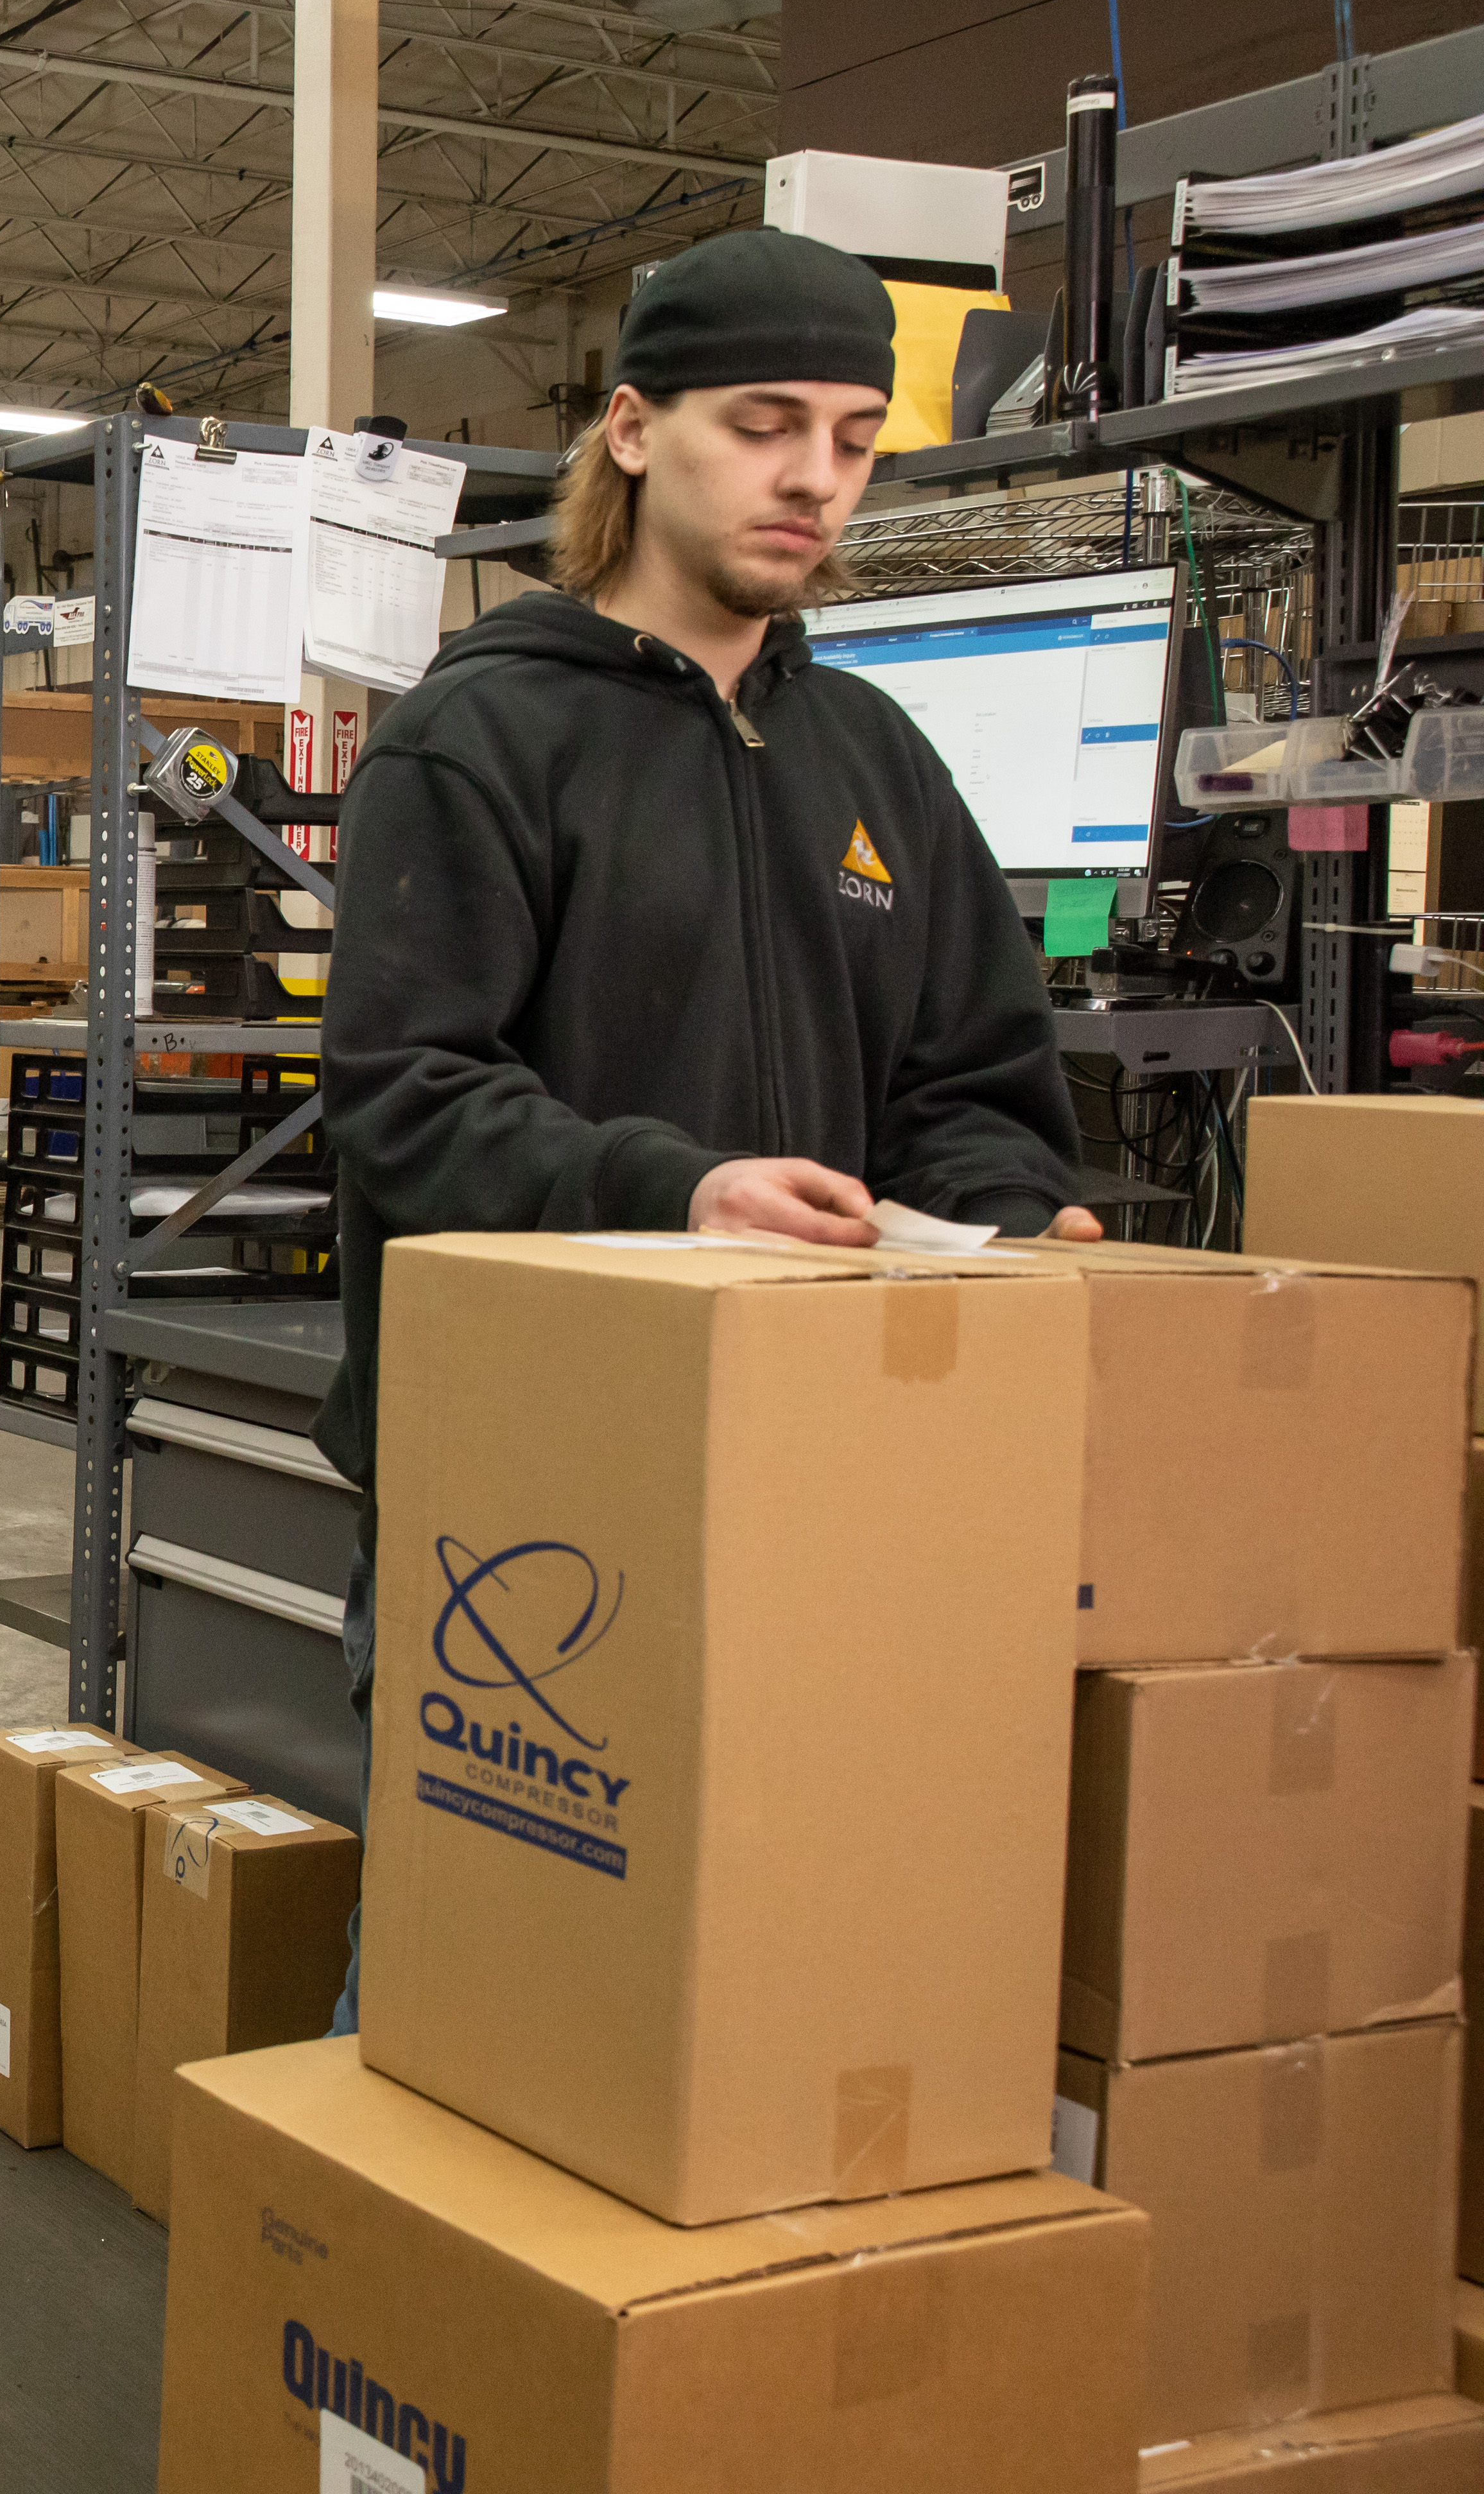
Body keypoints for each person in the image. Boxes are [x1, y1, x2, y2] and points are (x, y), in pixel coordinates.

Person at [311, 229, 1099, 2023]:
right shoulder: (482, 741)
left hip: (821, 1479)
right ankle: (384, 2289)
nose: (815, 477)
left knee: (757, 1995)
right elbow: (404, 1095)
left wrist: (998, 1216)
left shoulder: (881, 763)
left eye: (850, 437)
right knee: (483, 1980)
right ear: (638, 428)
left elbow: (973, 1077)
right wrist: (683, 1195)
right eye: (766, 424)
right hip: (529, 1504)